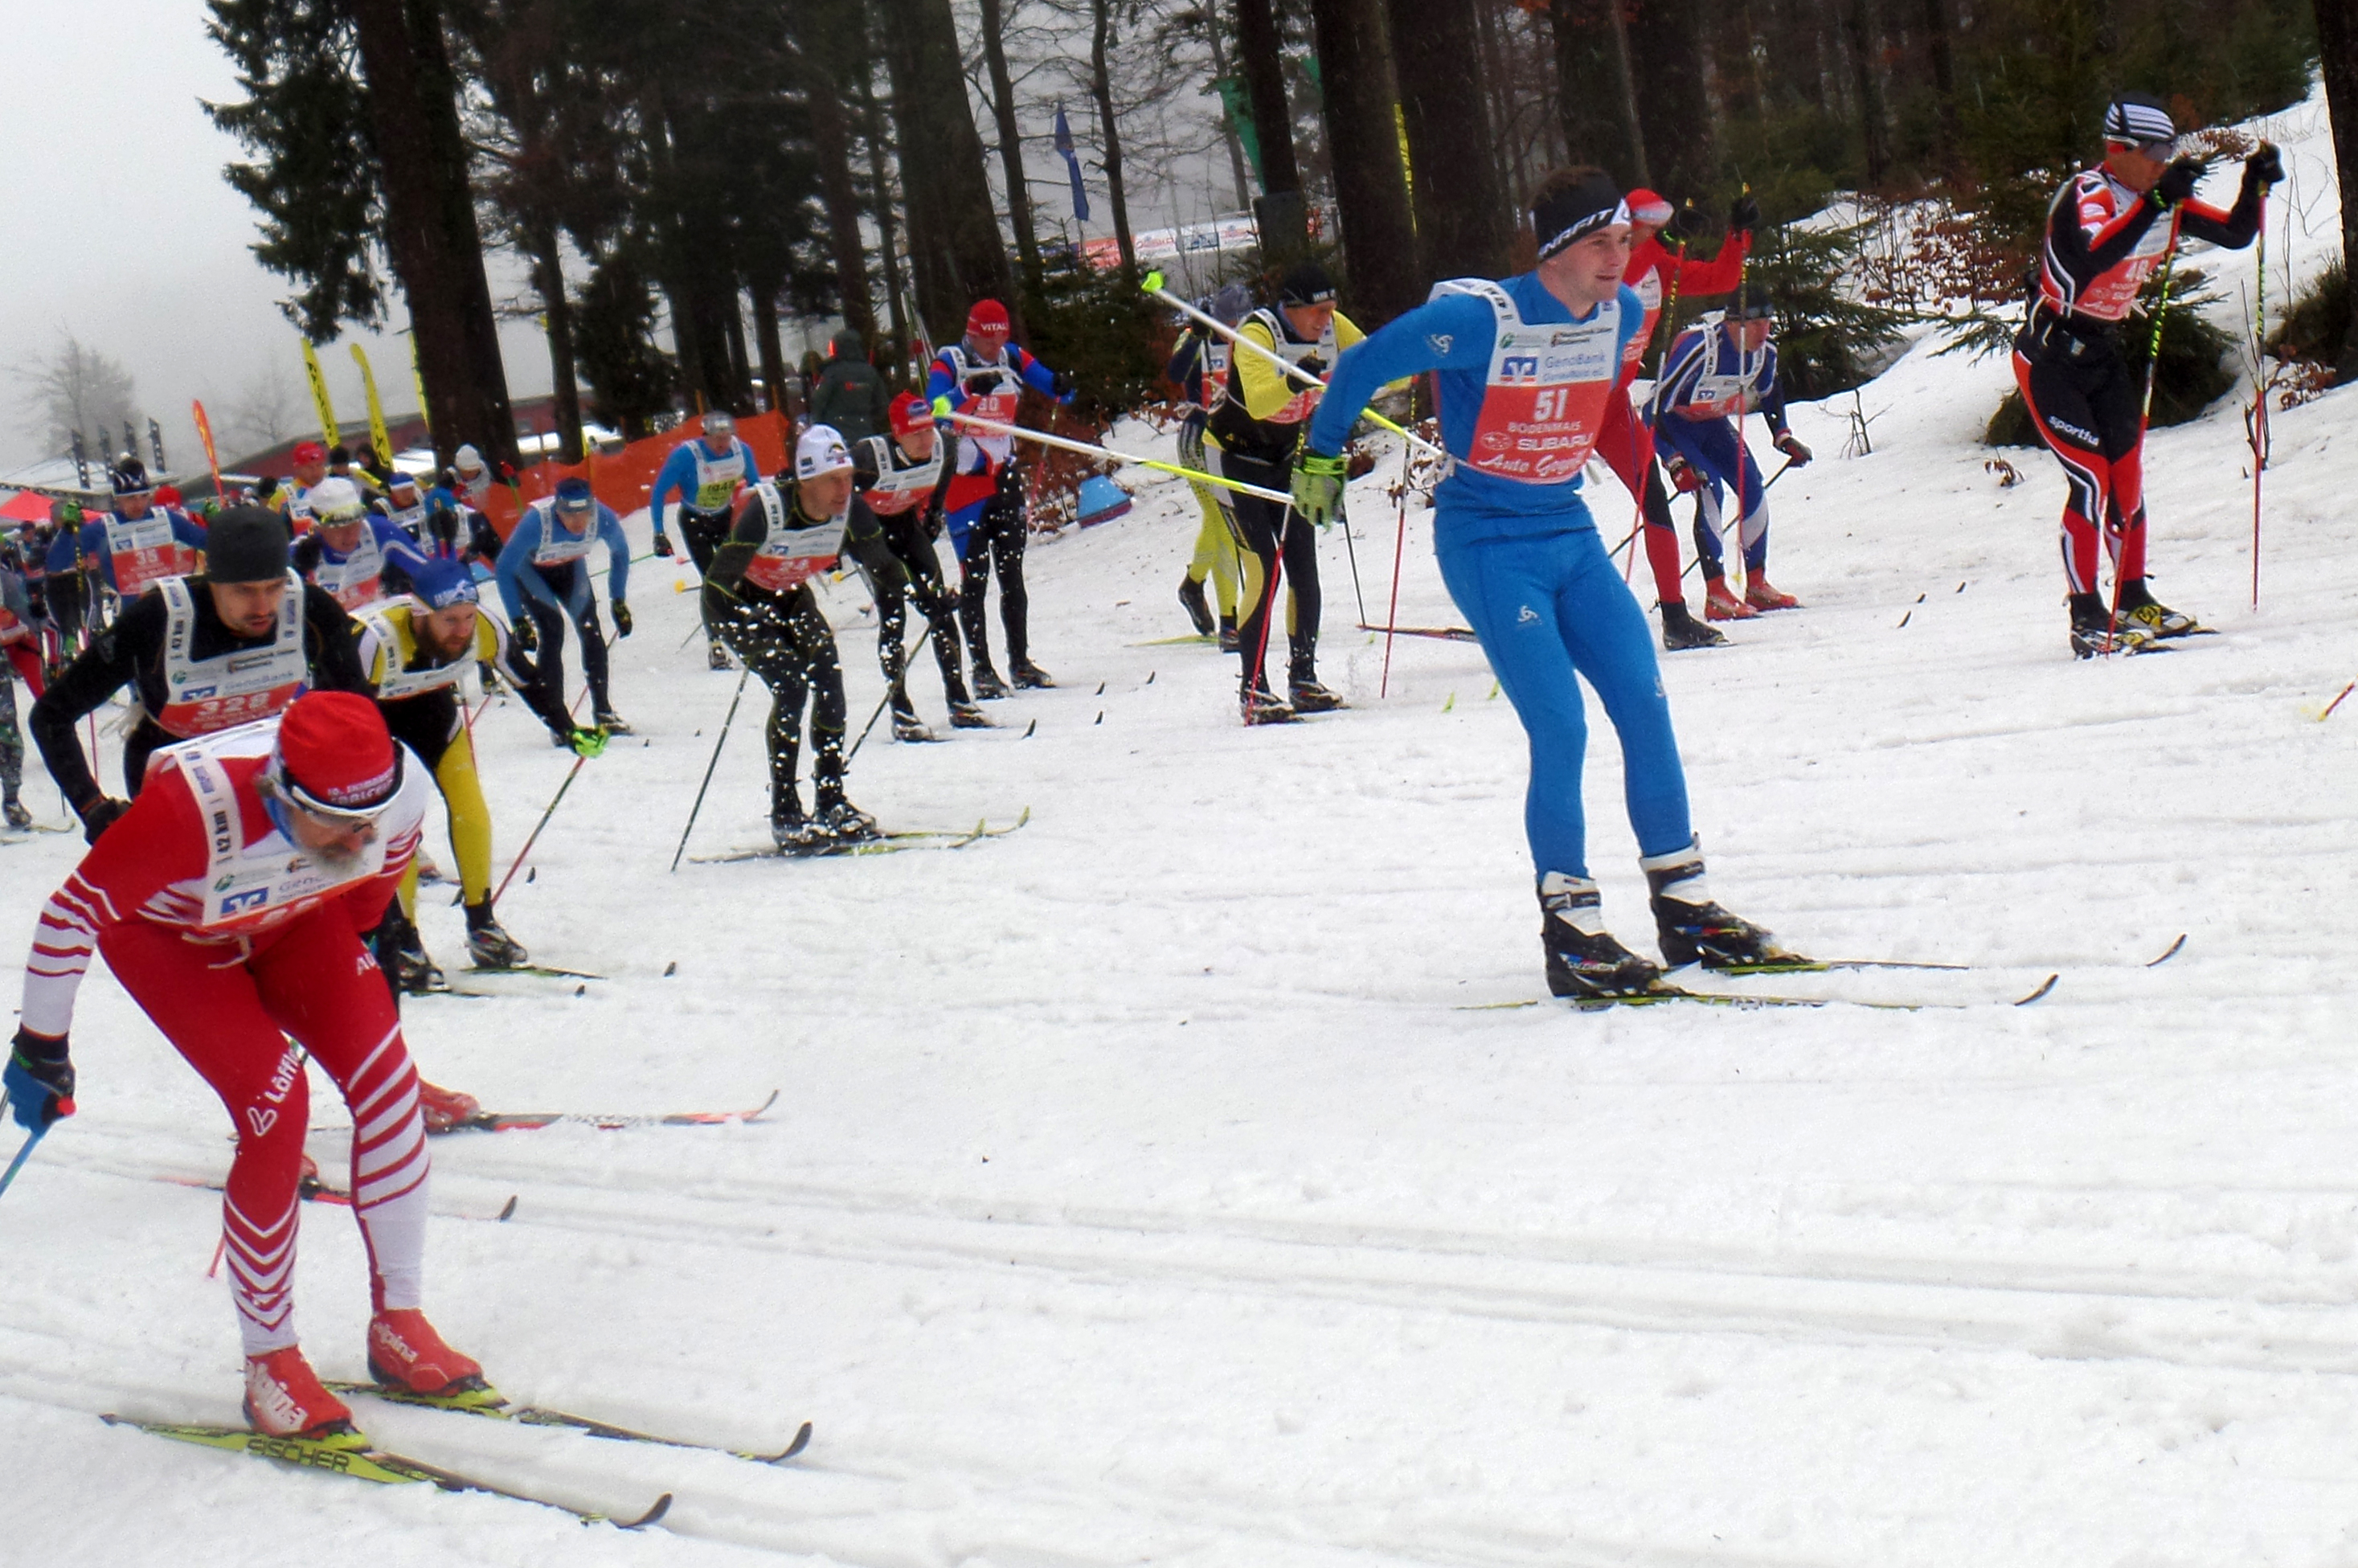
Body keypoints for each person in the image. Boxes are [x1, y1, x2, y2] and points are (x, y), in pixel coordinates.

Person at [1294, 166, 1795, 998]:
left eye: (1626, 242)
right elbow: (1360, 366)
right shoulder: (1473, 319)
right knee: (1560, 724)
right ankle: (1571, 927)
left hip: (1568, 530)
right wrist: (1319, 455)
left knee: (1644, 697)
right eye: (1603, 243)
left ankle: (1685, 905)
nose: (1621, 259)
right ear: (1558, 250)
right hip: (1490, 543)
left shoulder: (1625, 310)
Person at [7, 690, 491, 1442]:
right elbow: (69, 917)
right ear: (280, 789)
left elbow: (363, 907)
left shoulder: (396, 797)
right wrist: (43, 1050)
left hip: (291, 921)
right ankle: (272, 1363)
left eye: (368, 820)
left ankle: (400, 1320)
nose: (357, 835)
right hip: (175, 946)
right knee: (279, 1108)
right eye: (335, 821)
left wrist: (299, 958)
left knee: (392, 1090)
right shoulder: (187, 813)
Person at [2016, 92, 2276, 657]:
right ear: (2119, 150)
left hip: (2102, 355)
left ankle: (2133, 599)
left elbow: (2234, 233)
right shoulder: (2088, 193)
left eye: (2170, 151)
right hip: (2052, 357)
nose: (2164, 161)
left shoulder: (2151, 196)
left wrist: (2254, 185)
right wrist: (2157, 200)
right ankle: (2086, 615)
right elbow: (2094, 256)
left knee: (2128, 478)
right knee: (2091, 481)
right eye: (2155, 151)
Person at [31, 506, 371, 842]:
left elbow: (355, 707)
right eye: (244, 591)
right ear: (211, 577)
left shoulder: (310, 608)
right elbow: (51, 716)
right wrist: (94, 808)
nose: (263, 607)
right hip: (173, 776)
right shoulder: (157, 619)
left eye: (274, 587)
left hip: (267, 770)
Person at [354, 557, 604, 992]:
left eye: (467, 617)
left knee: (472, 812)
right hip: (373, 728)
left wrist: (567, 727)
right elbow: (332, 708)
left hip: (435, 718)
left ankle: (482, 924)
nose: (462, 630)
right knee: (401, 832)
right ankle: (404, 939)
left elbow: (527, 680)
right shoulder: (375, 639)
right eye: (449, 620)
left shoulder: (483, 628)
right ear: (419, 612)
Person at [704, 426, 908, 847]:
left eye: (848, 477)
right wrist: (747, 618)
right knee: (792, 686)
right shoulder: (769, 510)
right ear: (806, 480)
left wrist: (931, 599)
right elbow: (715, 589)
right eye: (833, 479)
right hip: (739, 603)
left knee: (830, 682)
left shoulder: (850, 510)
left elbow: (884, 567)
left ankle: (831, 799)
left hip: (791, 597)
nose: (843, 489)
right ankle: (785, 809)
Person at [1597, 188, 1758, 649]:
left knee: (1655, 501)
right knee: (1543, 511)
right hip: (1573, 405)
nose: (1643, 234)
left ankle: (1675, 618)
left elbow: (1723, 278)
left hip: (1613, 409)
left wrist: (1739, 233)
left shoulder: (1656, 264)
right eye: (1638, 225)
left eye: (1649, 226)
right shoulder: (1603, 264)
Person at [1206, 260, 1363, 721]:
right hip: (1232, 459)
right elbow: (1259, 403)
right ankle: (1253, 689)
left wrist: (1408, 370)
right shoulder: (1260, 335)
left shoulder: (1334, 327)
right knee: (1262, 567)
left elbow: (1374, 361)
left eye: (1331, 310)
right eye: (1317, 312)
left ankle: (1304, 679)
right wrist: (1295, 379)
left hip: (1282, 462)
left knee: (1303, 565)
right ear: (1291, 308)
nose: (1325, 321)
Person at [926, 299, 1074, 697]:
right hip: (966, 484)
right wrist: (967, 390)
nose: (994, 349)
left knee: (1012, 573)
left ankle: (1020, 662)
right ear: (972, 333)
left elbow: (1052, 385)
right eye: (988, 341)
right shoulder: (950, 361)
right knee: (974, 579)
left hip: (1004, 477)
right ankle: (982, 669)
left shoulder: (1011, 356)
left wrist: (1062, 385)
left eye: (1000, 339)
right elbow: (932, 410)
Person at [1645, 299, 1812, 617]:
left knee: (1752, 484)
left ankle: (1757, 584)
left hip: (1713, 424)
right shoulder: (1701, 349)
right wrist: (1675, 461)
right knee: (1710, 489)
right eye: (1756, 324)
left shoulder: (1765, 352)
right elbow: (1653, 411)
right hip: (1675, 425)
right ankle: (1717, 593)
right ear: (1734, 324)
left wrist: (1783, 436)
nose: (1764, 331)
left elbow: (1769, 393)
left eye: (1768, 322)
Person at [852, 391, 983, 739]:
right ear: (897, 433)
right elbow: (834, 493)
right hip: (871, 538)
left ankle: (958, 700)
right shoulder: (869, 457)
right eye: (916, 433)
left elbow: (945, 474)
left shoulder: (945, 447)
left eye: (928, 430)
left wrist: (934, 511)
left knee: (940, 607)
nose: (926, 440)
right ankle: (901, 710)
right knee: (894, 614)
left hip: (906, 527)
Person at [493, 476, 632, 733]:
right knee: (552, 630)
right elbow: (503, 568)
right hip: (532, 572)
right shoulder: (536, 523)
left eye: (585, 514)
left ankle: (603, 711)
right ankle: (557, 719)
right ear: (558, 510)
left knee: (591, 630)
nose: (579, 522)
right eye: (570, 516)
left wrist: (618, 601)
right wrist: (517, 620)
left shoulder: (603, 517)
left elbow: (621, 553)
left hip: (570, 568)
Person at [1166, 287, 1251, 649]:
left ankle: (1192, 584)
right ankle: (1230, 622)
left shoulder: (1254, 335)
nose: (1232, 330)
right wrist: (1197, 336)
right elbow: (1175, 372)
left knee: (1220, 523)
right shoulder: (1195, 336)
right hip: (1198, 442)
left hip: (1233, 442)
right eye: (1226, 325)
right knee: (1224, 525)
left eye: (1239, 323)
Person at [649, 411, 761, 671]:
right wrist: (658, 532)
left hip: (724, 518)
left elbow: (755, 484)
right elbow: (658, 492)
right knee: (712, 580)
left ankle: (746, 628)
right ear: (705, 436)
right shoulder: (686, 456)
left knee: (738, 576)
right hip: (694, 521)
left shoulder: (741, 451)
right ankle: (716, 645)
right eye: (716, 439)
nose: (722, 444)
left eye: (727, 437)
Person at [291, 477, 433, 611]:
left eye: (356, 523)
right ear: (317, 527)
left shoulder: (379, 531)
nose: (351, 535)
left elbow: (433, 575)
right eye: (338, 528)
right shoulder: (298, 553)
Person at [1, 542, 42, 829]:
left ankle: (12, 799)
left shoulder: (3, 575)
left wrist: (36, 616)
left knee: (8, 734)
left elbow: (19, 607)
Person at [809, 328, 892, 444]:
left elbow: (818, 402)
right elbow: (883, 405)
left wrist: (818, 427)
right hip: (866, 432)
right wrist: (867, 419)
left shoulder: (832, 373)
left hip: (836, 433)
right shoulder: (871, 373)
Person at [276, 440, 331, 533]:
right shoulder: (284, 495)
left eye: (319, 465)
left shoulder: (335, 487)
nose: (316, 472)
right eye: (310, 468)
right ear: (297, 468)